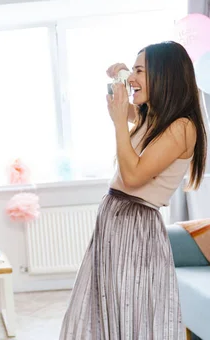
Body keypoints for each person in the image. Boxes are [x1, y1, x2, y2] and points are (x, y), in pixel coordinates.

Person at [60, 41, 207, 339]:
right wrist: (122, 76)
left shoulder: (182, 127)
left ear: (164, 76)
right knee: (108, 306)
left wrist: (118, 124)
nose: (132, 79)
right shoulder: (155, 119)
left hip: (134, 224)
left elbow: (132, 176)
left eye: (141, 70)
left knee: (129, 310)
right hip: (117, 219)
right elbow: (120, 103)